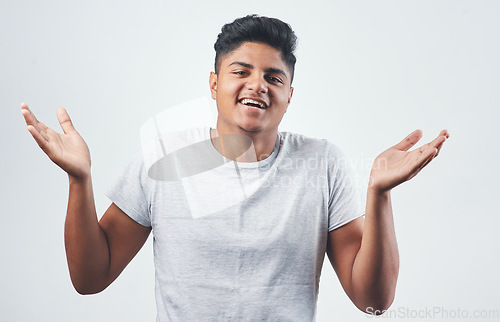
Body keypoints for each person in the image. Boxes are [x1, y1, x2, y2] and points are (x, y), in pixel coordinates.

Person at [21, 14, 449, 321]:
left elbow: (372, 302)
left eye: (274, 77)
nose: (257, 85)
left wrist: (379, 193)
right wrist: (80, 180)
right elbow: (90, 278)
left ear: (289, 94)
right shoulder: (163, 161)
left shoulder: (322, 164)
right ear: (214, 83)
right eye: (240, 71)